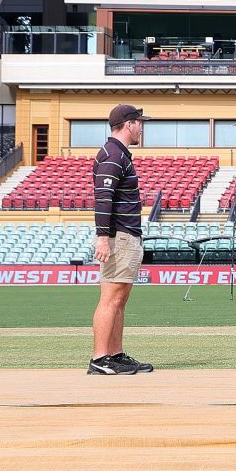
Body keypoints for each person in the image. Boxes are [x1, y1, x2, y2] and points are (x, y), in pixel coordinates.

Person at [88, 103, 153, 375]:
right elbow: (104, 199)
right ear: (128, 124)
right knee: (111, 297)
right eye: (139, 122)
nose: (142, 127)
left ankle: (115, 354)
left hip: (127, 234)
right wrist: (103, 237)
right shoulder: (113, 155)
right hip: (119, 236)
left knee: (120, 298)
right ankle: (100, 358)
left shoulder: (119, 154)